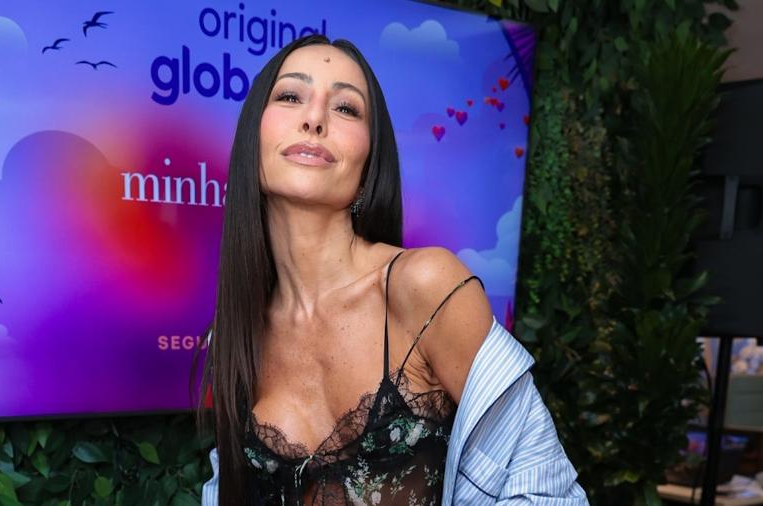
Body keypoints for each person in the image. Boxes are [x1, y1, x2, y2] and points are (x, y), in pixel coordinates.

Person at [196, 33, 589, 505]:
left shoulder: (427, 287)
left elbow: (546, 488)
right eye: (291, 96)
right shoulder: (237, 334)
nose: (314, 119)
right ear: (252, 139)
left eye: (346, 108)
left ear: (370, 162)